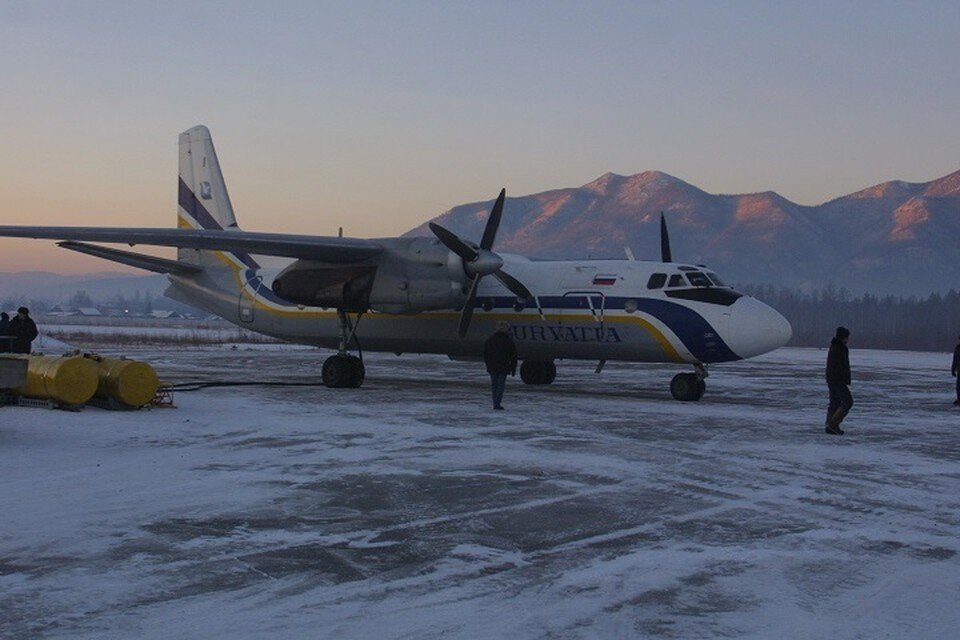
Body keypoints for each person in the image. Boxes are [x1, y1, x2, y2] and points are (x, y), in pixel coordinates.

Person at [482, 321, 517, 410]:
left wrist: (488, 365)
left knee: (494, 385)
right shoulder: (509, 341)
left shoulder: (490, 340)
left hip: (492, 366)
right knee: (500, 385)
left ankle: (495, 402)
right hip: (503, 366)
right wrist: (513, 368)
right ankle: (497, 403)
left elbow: (485, 354)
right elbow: (513, 356)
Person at [825, 326, 853, 435]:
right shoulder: (838, 348)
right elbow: (840, 366)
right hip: (837, 380)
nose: (848, 339)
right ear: (843, 337)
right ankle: (833, 424)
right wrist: (843, 379)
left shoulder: (836, 347)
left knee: (835, 402)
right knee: (848, 401)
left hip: (832, 379)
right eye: (847, 337)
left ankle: (829, 425)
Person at [952, 335, 960, 406]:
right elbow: (955, 360)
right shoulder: (957, 348)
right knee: (958, 386)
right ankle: (959, 399)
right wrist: (953, 369)